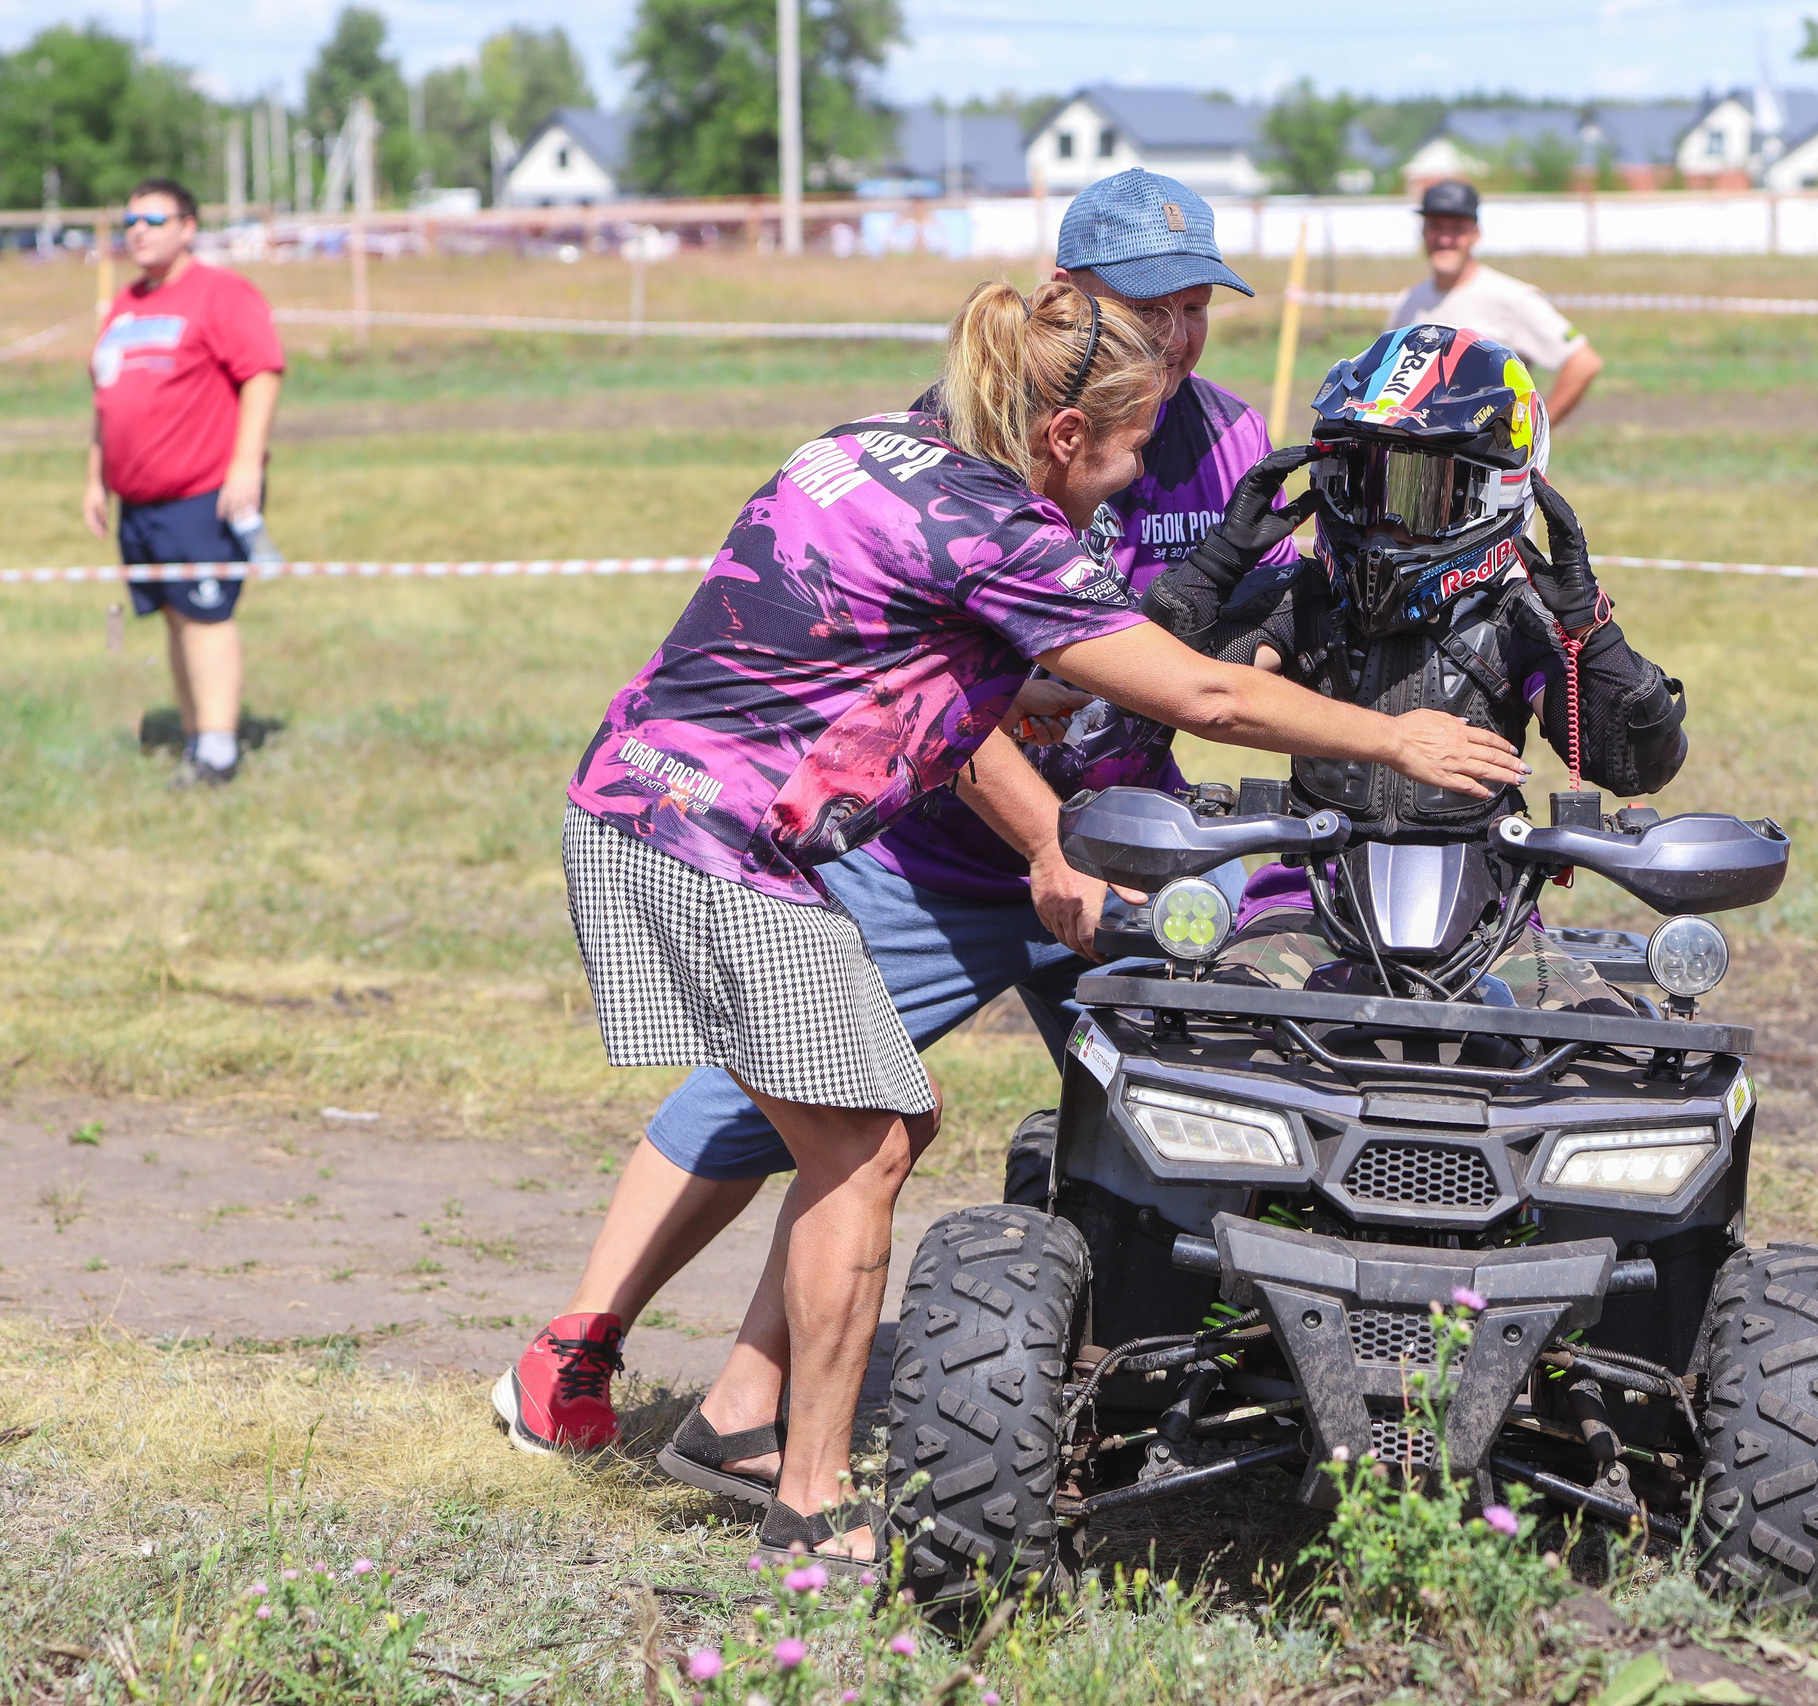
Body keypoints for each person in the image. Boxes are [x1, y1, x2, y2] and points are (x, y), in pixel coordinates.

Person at [535, 280, 1524, 1562]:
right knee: (867, 1148)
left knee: (888, 1125)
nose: (1133, 477)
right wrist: (1397, 739)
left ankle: (736, 1420)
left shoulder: (864, 447)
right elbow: (1208, 698)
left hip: (637, 797)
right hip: (710, 843)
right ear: (1063, 434)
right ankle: (813, 1503)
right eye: (1127, 449)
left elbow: (860, 637)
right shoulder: (999, 526)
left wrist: (1008, 689)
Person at [494, 169, 1297, 1462]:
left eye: (1198, 304)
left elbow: (1256, 628)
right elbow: (939, 699)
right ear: (1066, 300)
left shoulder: (1227, 437)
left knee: (1193, 1098)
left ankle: (1159, 1374)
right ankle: (574, 1346)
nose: (1180, 333)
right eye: (1151, 306)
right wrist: (1044, 841)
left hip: (1130, 844)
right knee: (780, 1107)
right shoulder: (965, 433)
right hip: (942, 854)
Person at [1142, 321, 1685, 1001]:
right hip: (1306, 904)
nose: (1384, 525)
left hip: (1492, 921)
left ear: (1498, 492)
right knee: (1220, 1022)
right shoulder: (1303, 600)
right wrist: (1217, 565)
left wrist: (1593, 632)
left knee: (1595, 1038)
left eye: (1422, 495)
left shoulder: (1518, 620)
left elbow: (1635, 764)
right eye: (1364, 487)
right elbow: (1161, 682)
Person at [82, 177, 284, 788]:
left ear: (188, 228)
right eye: (130, 222)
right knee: (175, 617)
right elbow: (106, 400)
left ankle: (218, 751)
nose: (138, 232)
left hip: (201, 492)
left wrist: (246, 464)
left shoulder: (221, 294)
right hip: (139, 502)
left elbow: (262, 373)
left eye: (153, 220)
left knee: (204, 617)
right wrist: (95, 479)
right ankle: (198, 736)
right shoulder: (125, 305)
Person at [1389, 179, 1603, 429]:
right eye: (1436, 226)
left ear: (1475, 234)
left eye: (1457, 228)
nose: (1445, 238)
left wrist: (1534, 433)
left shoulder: (1512, 298)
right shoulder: (1408, 302)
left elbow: (1583, 362)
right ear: (1423, 232)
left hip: (1484, 451)